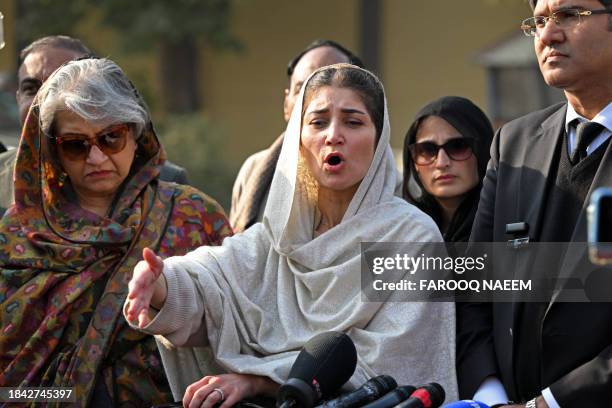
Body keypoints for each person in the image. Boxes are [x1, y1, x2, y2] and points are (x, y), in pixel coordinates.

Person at [125, 64, 459, 407]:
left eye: (353, 121)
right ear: (298, 140)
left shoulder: (411, 236)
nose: (333, 135)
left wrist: (257, 380)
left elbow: (394, 360)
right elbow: (212, 281)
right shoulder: (281, 235)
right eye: (317, 122)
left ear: (379, 140)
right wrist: (162, 284)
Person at [0, 58, 232, 407]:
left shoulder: (195, 217)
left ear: (136, 135)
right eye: (76, 144)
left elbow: (235, 331)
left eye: (111, 138)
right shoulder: (19, 235)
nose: (95, 158)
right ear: (54, 151)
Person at [457, 0, 612, 407]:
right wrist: (490, 397)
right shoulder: (514, 144)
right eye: (539, 21)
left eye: (568, 16)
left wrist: (549, 403)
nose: (547, 35)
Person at [0, 35, 189, 215]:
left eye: (62, 85)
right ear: (17, 98)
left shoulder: (170, 187)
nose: (43, 100)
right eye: (31, 89)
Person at [230, 39, 364, 232]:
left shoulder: (394, 195)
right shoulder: (254, 170)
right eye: (303, 88)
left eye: (333, 86)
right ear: (286, 104)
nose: (317, 101)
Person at [402, 96, 493, 242]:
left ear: (483, 151)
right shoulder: (402, 232)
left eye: (458, 146)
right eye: (427, 150)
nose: (441, 163)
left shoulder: (510, 223)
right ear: (414, 162)